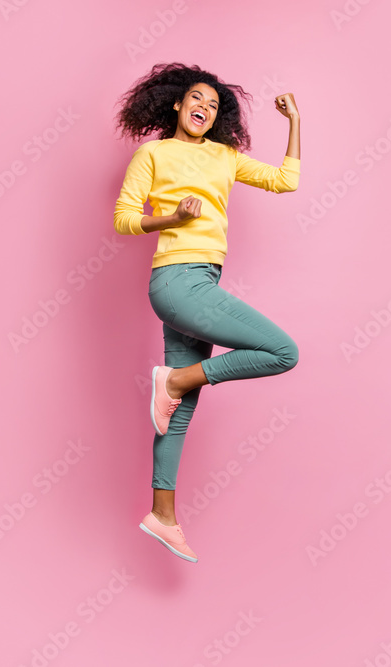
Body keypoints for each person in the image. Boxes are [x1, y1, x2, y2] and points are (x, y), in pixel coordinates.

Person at [113, 63, 301, 563]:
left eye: (215, 105)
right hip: (177, 280)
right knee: (282, 351)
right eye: (198, 99)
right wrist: (173, 217)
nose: (205, 108)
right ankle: (172, 381)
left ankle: (162, 515)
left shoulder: (224, 156)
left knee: (177, 412)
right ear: (177, 104)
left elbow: (285, 182)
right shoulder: (153, 153)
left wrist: (294, 123)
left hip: (201, 281)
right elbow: (125, 219)